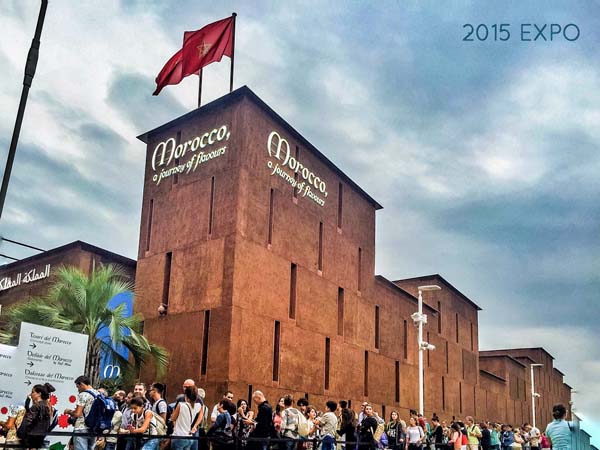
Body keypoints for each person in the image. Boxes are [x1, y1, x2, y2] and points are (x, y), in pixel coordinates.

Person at [64, 375, 98, 450]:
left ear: (82, 384)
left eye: (78, 387)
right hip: (94, 428)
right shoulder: (98, 394)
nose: (78, 390)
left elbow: (77, 414)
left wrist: (68, 411)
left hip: (81, 427)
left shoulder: (83, 394)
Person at [18, 383, 54, 449]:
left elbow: (28, 421)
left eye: (33, 392)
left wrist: (21, 432)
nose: (31, 394)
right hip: (41, 436)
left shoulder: (36, 406)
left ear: (39, 394)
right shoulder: (47, 406)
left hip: (32, 436)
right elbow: (48, 423)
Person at [171, 386, 204, 450]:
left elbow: (173, 418)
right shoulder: (198, 406)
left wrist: (173, 413)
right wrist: (195, 426)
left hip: (179, 436)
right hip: (189, 436)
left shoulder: (181, 405)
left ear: (185, 396)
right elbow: (201, 415)